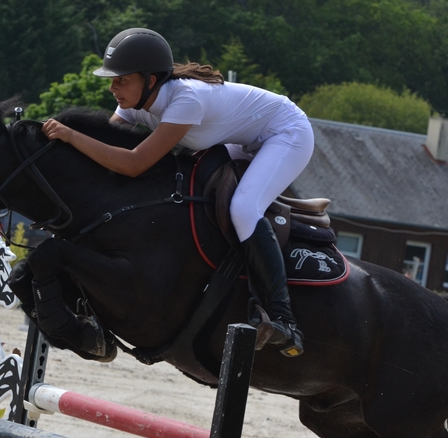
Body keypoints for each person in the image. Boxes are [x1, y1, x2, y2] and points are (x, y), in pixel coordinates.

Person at [41, 28, 314, 357]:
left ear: (151, 80)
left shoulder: (186, 98)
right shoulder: (135, 104)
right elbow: (106, 155)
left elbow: (133, 163)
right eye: (112, 80)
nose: (113, 87)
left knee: (243, 208)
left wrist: (71, 136)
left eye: (121, 80)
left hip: (285, 132)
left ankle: (284, 319)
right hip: (241, 138)